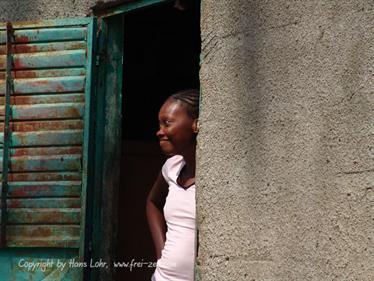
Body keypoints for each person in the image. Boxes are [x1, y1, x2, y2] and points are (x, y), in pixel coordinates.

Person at [146, 89, 199, 281]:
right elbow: (153, 203)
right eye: (160, 124)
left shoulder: (216, 180)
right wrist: (161, 254)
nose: (159, 132)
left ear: (196, 124)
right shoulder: (172, 167)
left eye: (167, 123)